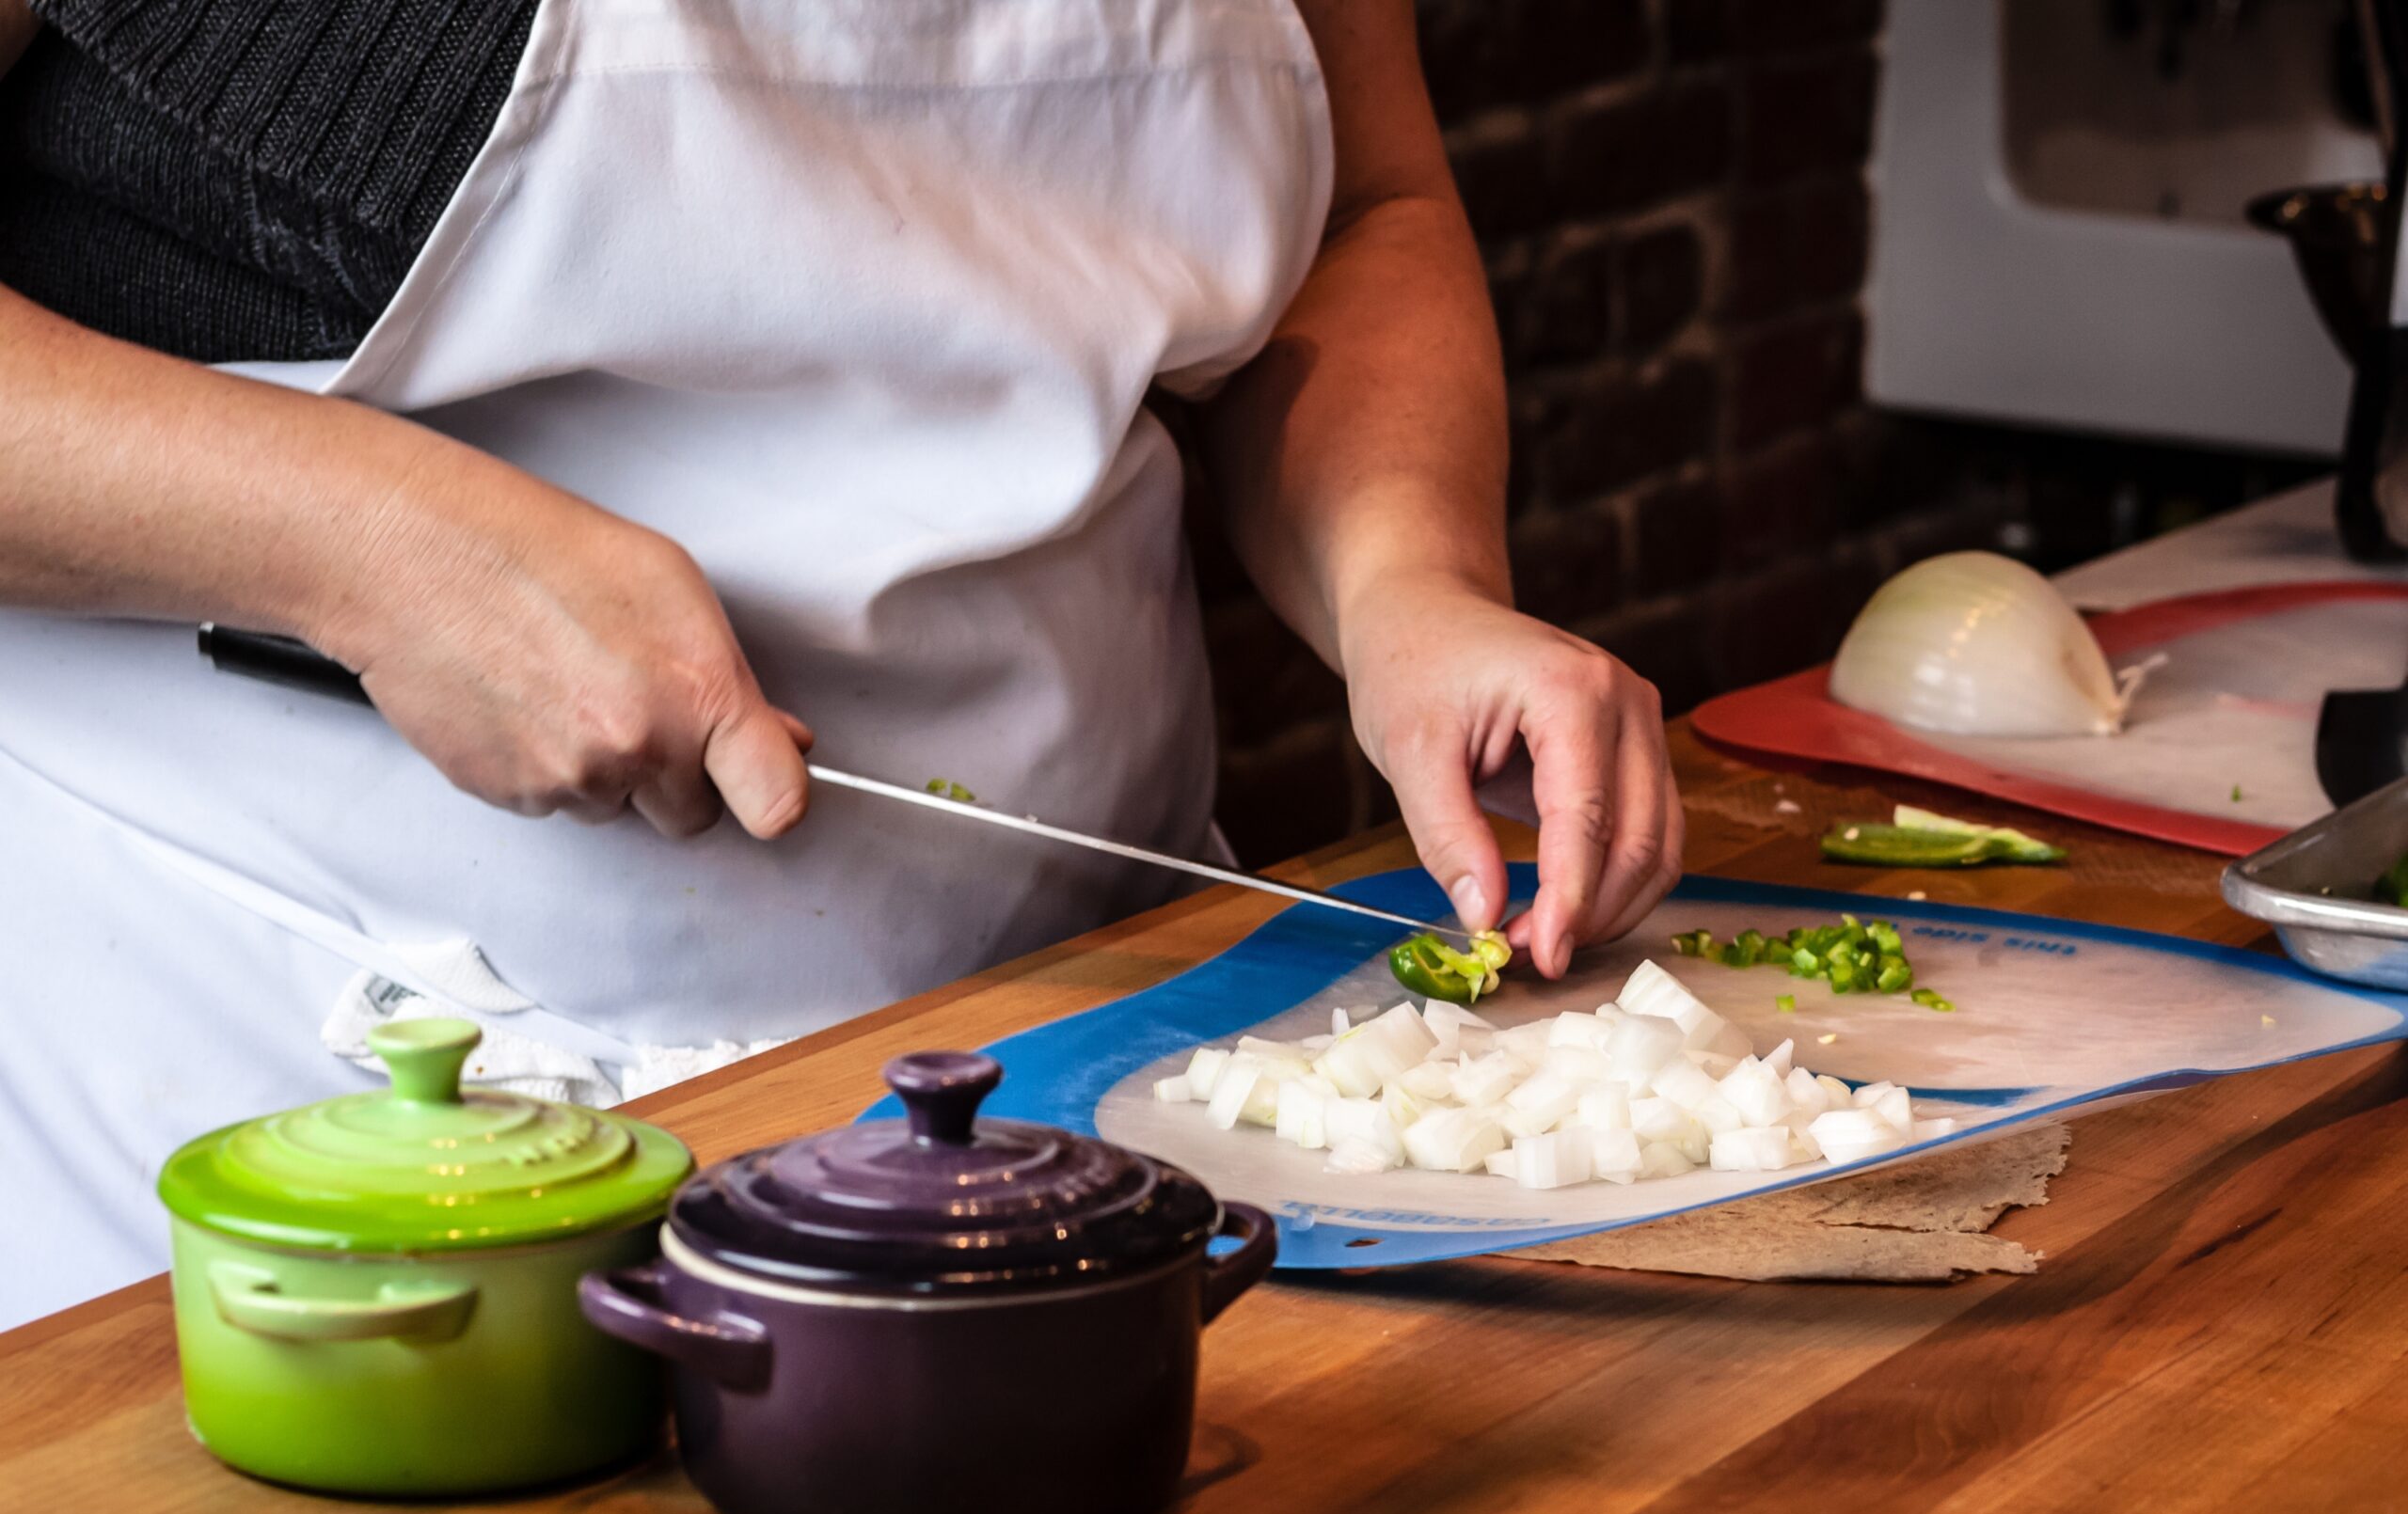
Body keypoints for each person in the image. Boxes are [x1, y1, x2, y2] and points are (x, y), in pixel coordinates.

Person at [0, 0, 1680, 1329]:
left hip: (1099, 1043)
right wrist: (373, 549)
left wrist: (1409, 583)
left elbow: (1362, 208)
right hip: (288, 1092)